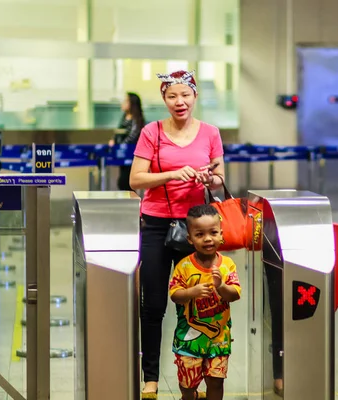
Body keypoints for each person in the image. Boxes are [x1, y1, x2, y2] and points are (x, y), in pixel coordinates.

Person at [129, 70, 226, 398]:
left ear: (195, 96)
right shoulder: (151, 132)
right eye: (172, 96)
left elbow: (219, 178)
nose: (179, 102)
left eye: (185, 95)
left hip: (196, 229)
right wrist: (172, 174)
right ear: (164, 98)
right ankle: (151, 378)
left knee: (197, 304)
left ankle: (192, 380)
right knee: (153, 304)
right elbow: (136, 180)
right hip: (156, 226)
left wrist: (207, 179)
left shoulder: (211, 133)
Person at [169, 204, 241, 400]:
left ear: (221, 234)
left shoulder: (227, 265)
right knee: (187, 386)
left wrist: (221, 287)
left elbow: (234, 294)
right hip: (188, 341)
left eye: (213, 232)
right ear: (190, 239)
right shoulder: (183, 266)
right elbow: (175, 294)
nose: (208, 239)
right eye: (200, 234)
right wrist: (191, 292)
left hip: (218, 340)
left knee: (216, 382)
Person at [109, 92, 146, 190]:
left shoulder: (136, 119)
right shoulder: (124, 117)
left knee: (126, 182)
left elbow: (132, 136)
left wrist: (121, 146)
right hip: (121, 154)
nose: (123, 103)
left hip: (130, 155)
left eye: (126, 101)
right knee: (122, 181)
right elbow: (118, 132)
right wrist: (113, 140)